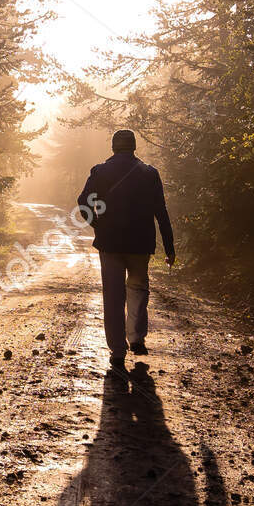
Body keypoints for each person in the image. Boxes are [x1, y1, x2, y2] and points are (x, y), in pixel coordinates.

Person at [78, 128, 175, 372]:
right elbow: (161, 212)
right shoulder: (149, 173)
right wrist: (169, 247)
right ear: (133, 147)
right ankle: (137, 339)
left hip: (109, 243)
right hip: (140, 244)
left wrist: (98, 226)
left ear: (113, 147)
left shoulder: (100, 171)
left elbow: (83, 201)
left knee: (113, 296)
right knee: (138, 289)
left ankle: (118, 352)